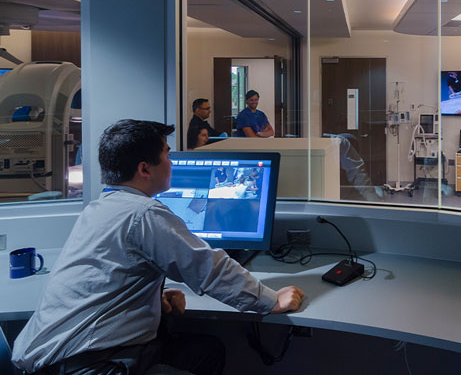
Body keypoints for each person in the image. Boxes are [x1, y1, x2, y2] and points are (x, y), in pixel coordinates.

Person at [12, 119, 303, 374]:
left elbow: (107, 274)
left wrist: (152, 296)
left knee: (207, 351)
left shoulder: (100, 208)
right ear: (144, 169)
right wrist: (270, 299)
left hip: (55, 358)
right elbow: (208, 269)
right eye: (166, 154)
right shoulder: (143, 213)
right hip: (89, 365)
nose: (172, 162)